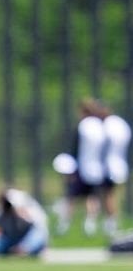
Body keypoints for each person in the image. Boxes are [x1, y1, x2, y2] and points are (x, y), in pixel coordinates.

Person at [54, 98, 106, 236]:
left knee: (71, 196)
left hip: (82, 168)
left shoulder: (83, 125)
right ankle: (90, 224)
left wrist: (70, 169)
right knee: (92, 197)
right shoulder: (100, 125)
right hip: (97, 169)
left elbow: (75, 149)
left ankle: (64, 224)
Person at [97, 100, 130, 237]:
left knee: (109, 195)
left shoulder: (108, 125)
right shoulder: (120, 123)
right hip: (120, 164)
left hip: (110, 166)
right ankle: (114, 221)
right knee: (115, 195)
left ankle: (111, 223)